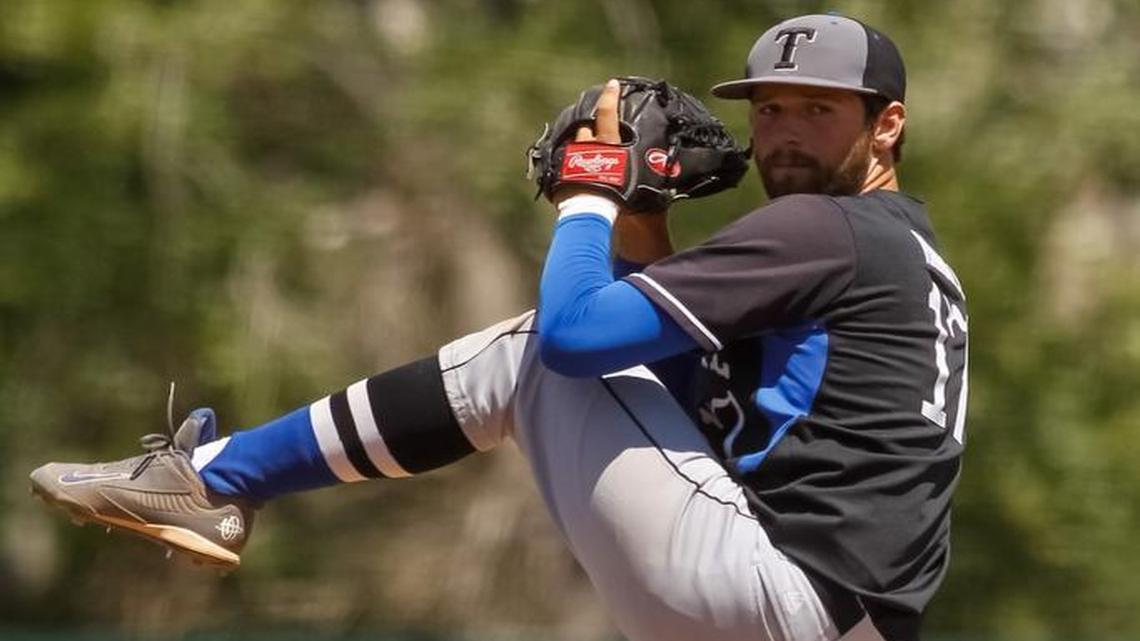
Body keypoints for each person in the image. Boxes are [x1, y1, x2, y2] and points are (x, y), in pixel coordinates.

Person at [30, 13, 967, 641]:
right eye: (769, 109)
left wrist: (590, 197)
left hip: (773, 593)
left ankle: (211, 480)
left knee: (528, 355)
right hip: (833, 615)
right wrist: (644, 226)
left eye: (816, 110)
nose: (783, 132)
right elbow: (680, 394)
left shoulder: (820, 229)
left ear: (886, 125)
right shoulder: (899, 253)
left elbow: (572, 340)